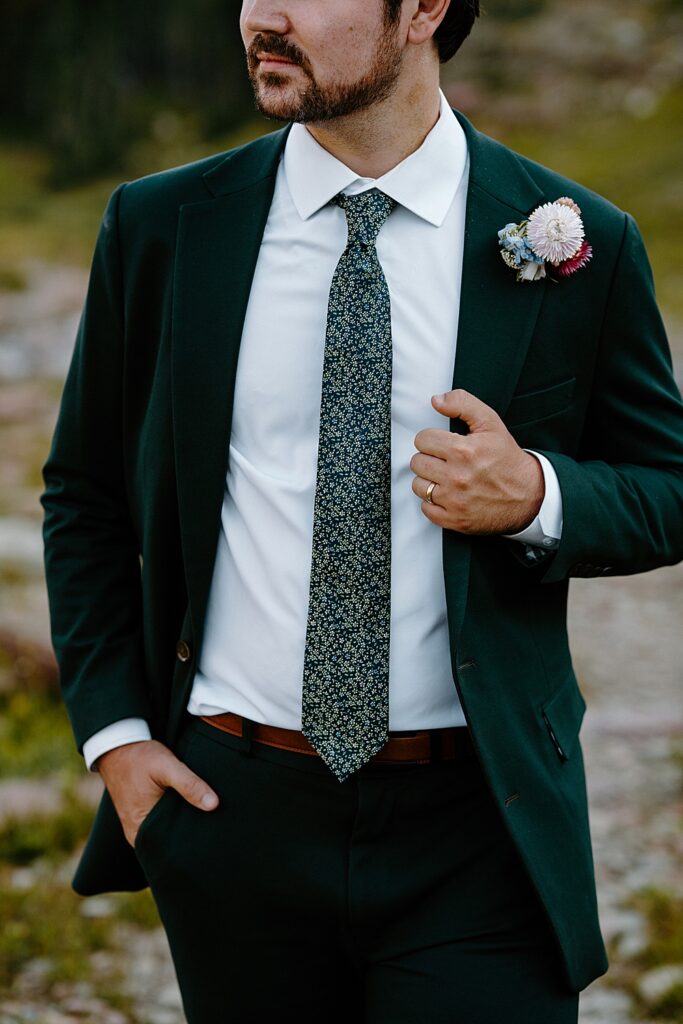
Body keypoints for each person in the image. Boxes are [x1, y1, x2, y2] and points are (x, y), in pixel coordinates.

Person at [41, 1, 683, 1021]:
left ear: (422, 9)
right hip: (231, 810)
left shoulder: (577, 239)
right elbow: (84, 493)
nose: (262, 16)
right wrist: (116, 738)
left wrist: (535, 495)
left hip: (479, 822)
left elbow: (666, 488)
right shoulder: (164, 223)